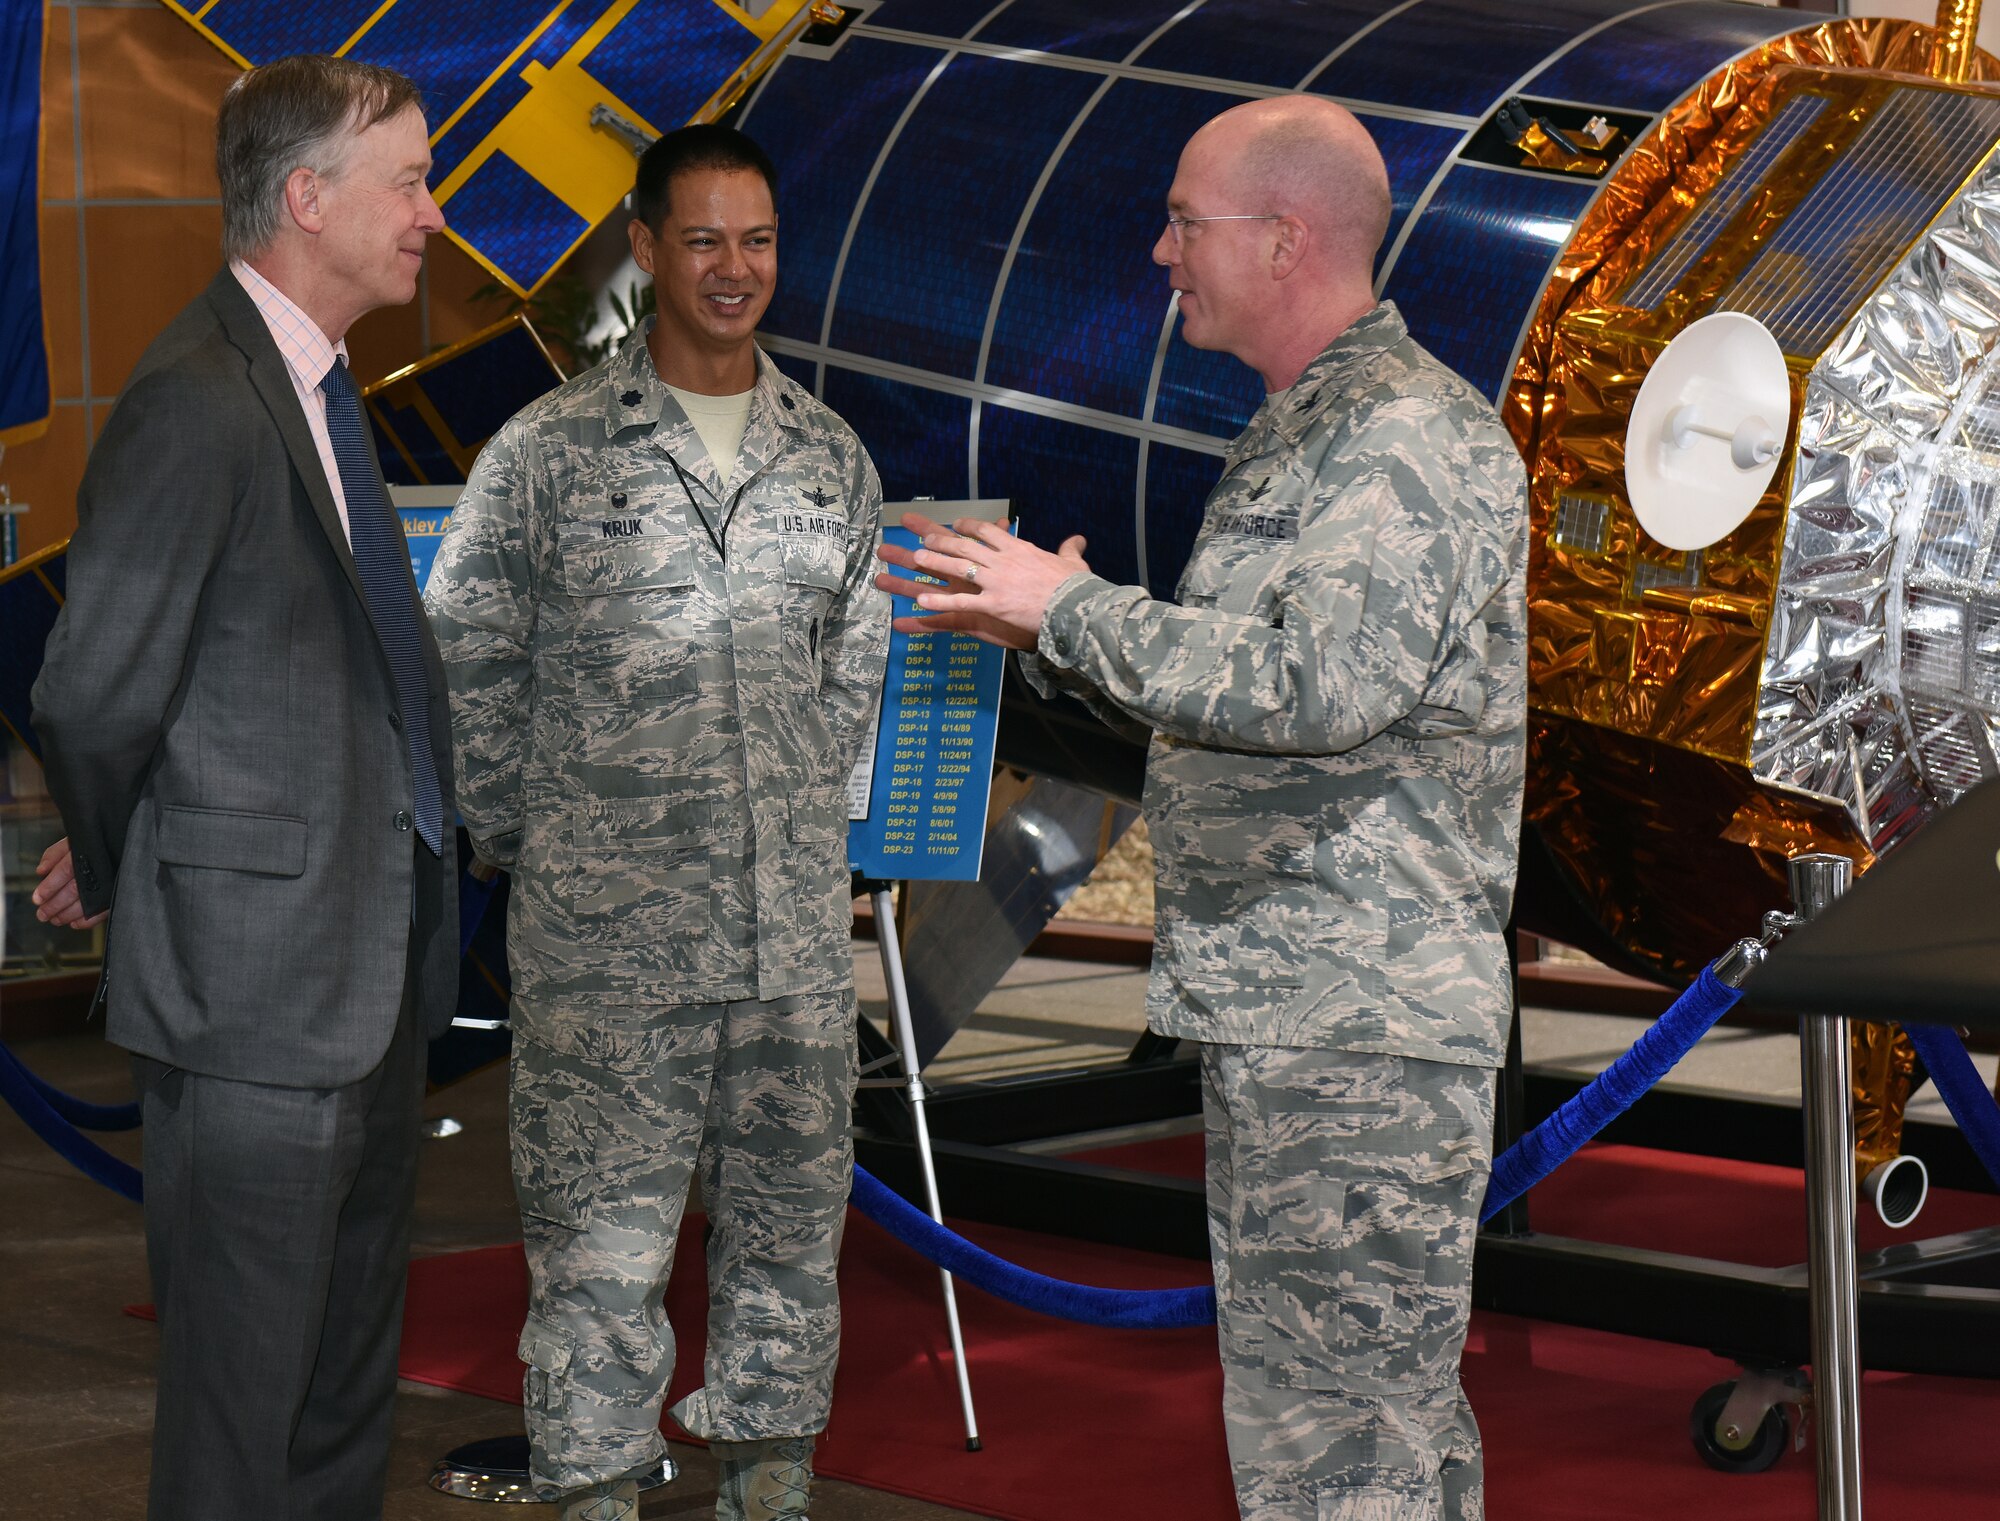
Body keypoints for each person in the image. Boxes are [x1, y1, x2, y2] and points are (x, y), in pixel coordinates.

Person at [877, 96, 1526, 1521]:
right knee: (1341, 1439)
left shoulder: (1403, 438)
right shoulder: (1309, 434)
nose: (1163, 250)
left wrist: (1080, 607)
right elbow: (1241, 718)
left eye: (1187, 220)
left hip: (1355, 1028)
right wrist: (1048, 627)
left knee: (1344, 1450)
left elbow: (1319, 686)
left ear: (1285, 237)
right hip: (1297, 1013)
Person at [425, 124, 888, 1521]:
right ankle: (594, 1494)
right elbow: (468, 664)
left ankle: (767, 1486)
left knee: (789, 1255)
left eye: (756, 241)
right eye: (703, 240)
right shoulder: (549, 456)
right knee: (598, 1267)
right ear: (645, 249)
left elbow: (853, 676)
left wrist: (798, 834)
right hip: (608, 959)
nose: (734, 268)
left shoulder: (830, 456)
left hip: (791, 961)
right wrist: (550, 840)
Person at [29, 54, 458, 1521]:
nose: (433, 213)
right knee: (239, 1421)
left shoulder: (322, 390)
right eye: (408, 179)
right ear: (305, 196)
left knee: (340, 1400)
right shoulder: (200, 399)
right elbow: (92, 691)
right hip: (252, 1001)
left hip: (367, 982)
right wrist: (127, 846)